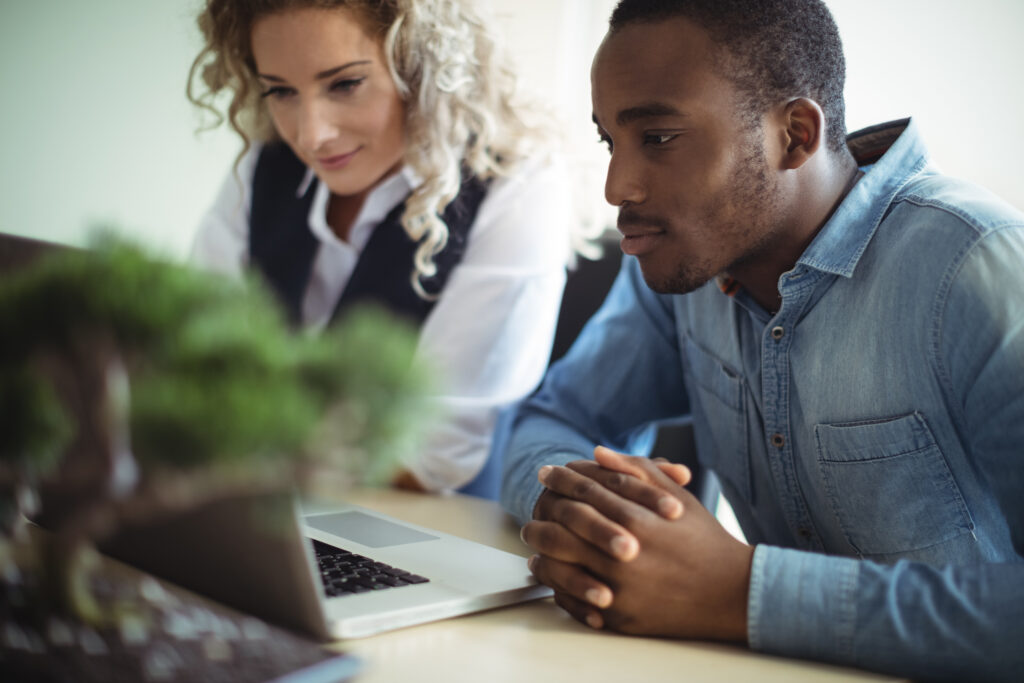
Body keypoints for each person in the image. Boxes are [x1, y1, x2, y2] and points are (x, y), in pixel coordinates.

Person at [500, 1, 1024, 681]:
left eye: (657, 137)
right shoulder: (685, 267)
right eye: (609, 142)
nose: (616, 186)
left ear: (794, 135)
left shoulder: (978, 270)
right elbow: (551, 418)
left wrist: (742, 592)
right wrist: (597, 515)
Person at [186, 0, 574, 494]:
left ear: (420, 64)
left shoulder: (514, 185)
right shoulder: (264, 165)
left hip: (426, 519)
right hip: (254, 498)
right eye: (281, 91)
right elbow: (192, 365)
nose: (312, 135)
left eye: (345, 84)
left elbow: (429, 457)